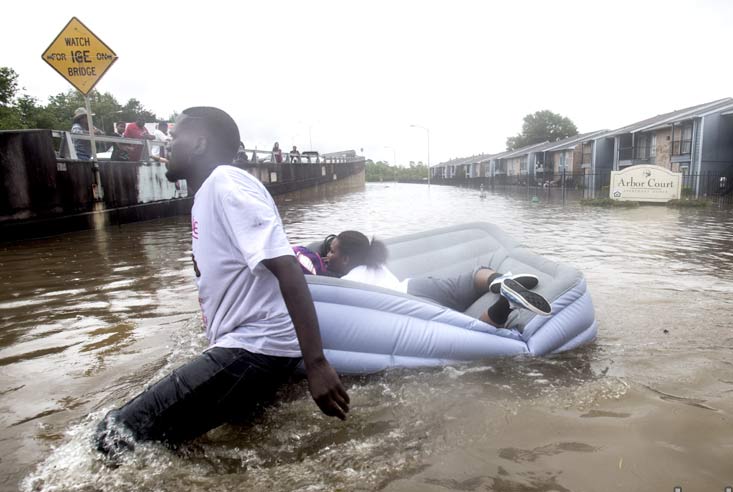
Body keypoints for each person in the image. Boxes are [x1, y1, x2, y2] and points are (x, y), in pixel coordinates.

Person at [95, 106, 349, 458]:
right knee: (213, 448)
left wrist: (316, 364)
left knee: (113, 436)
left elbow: (288, 267)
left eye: (175, 136)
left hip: (256, 348)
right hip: (248, 347)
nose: (167, 144)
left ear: (199, 143)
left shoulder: (226, 184)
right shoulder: (207, 195)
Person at [324, 231, 552, 328]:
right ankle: (500, 281)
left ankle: (506, 305)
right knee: (475, 275)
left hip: (410, 311)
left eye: (332, 252)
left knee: (472, 331)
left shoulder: (348, 281)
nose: (327, 256)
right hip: (415, 286)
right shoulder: (375, 264)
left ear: (345, 259)